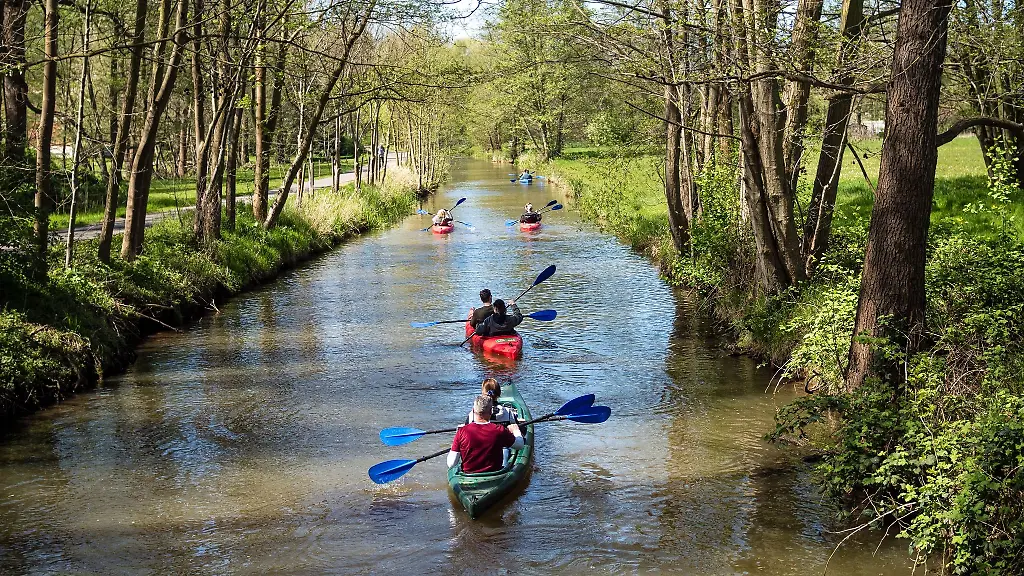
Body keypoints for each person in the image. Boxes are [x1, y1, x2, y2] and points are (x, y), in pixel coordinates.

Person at [448, 395, 524, 473]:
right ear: (491, 411)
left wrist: (456, 445)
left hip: (469, 476)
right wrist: (516, 430)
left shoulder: (462, 431)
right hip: (495, 475)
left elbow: (451, 463)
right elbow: (520, 445)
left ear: (473, 410)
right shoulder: (499, 430)